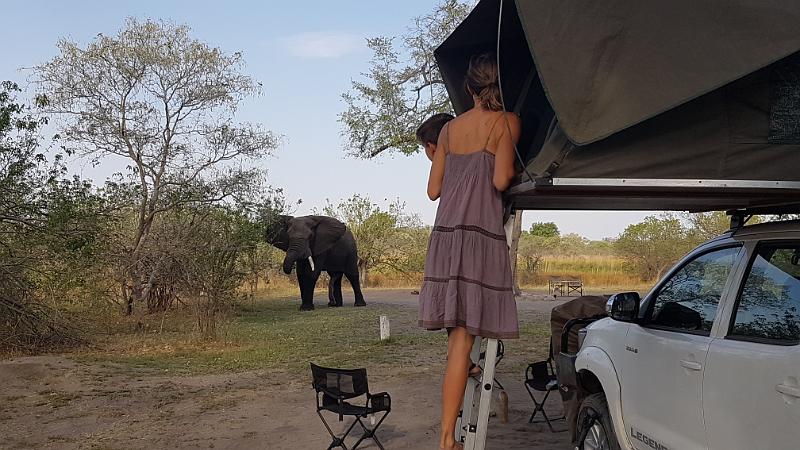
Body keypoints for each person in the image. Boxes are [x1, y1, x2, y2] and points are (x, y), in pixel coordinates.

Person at [418, 52, 521, 450]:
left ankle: (447, 435)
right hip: (479, 235)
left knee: (457, 339)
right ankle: (448, 440)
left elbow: (433, 191)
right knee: (464, 335)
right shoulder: (507, 122)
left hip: (445, 236)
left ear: (469, 88)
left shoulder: (447, 132)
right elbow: (500, 180)